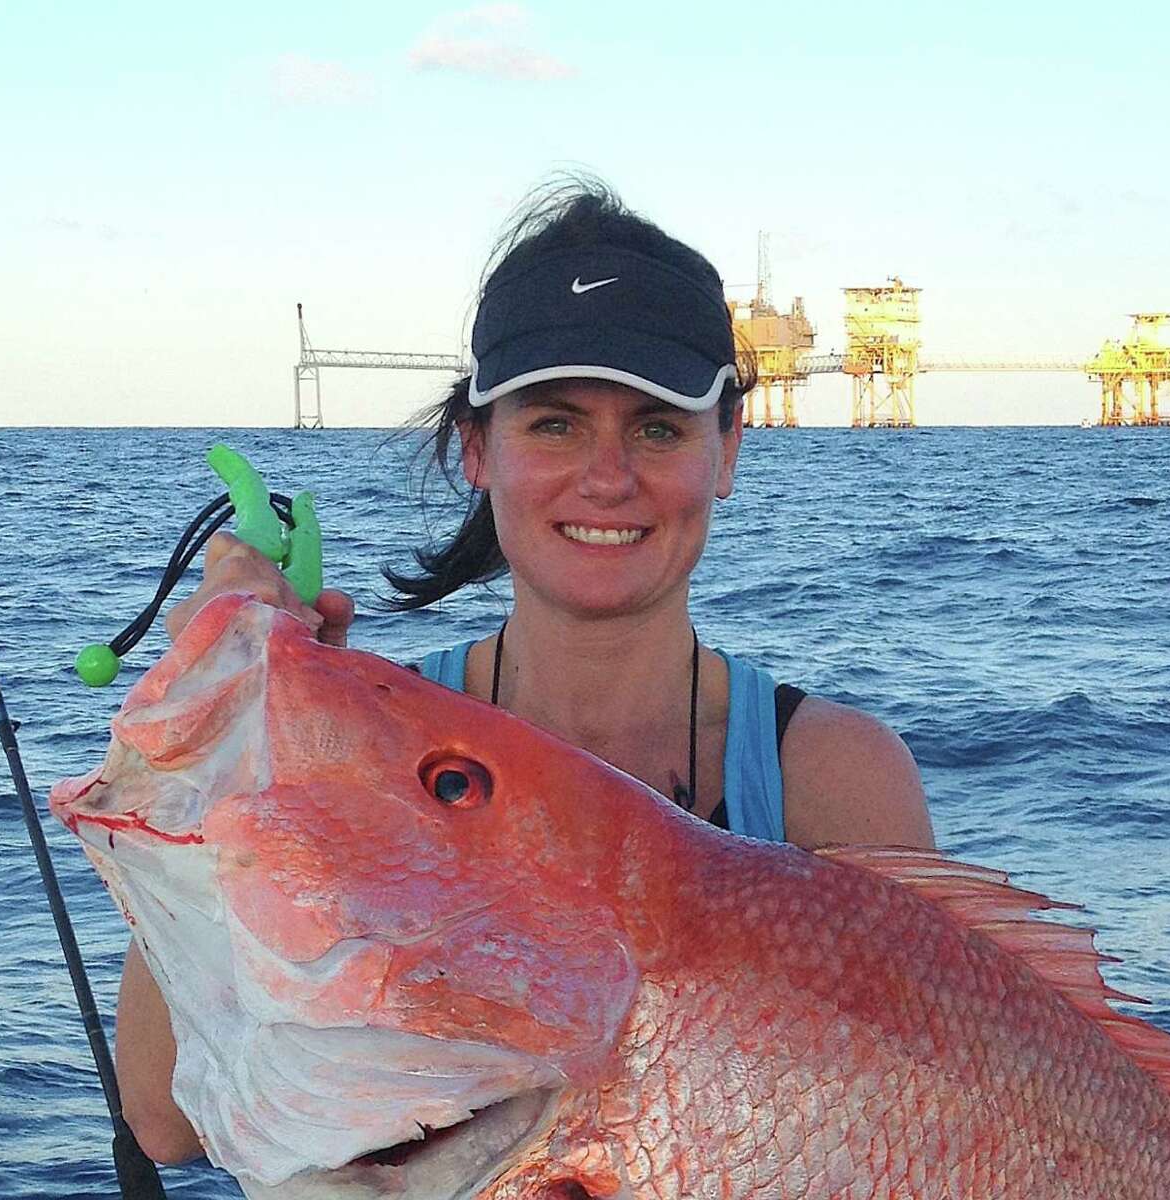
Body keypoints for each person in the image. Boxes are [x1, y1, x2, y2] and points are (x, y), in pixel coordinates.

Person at [115, 180, 935, 1163]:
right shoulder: (354, 763)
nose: (607, 474)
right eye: (554, 423)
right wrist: (253, 754)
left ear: (727, 450)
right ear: (476, 448)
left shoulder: (836, 780)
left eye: (659, 426)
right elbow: (166, 1120)